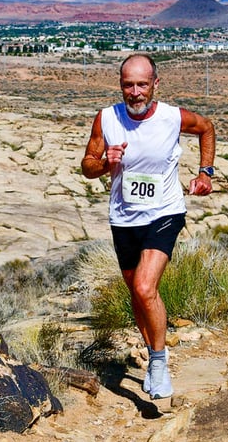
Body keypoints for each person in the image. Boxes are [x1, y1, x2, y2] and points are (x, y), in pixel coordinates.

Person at [81, 53, 216, 399]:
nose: (135, 92)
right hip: (124, 218)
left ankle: (158, 363)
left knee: (144, 287)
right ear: (120, 85)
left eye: (142, 84)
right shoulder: (107, 118)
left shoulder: (172, 117)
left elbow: (206, 128)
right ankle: (155, 352)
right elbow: (87, 165)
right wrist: (105, 162)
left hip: (164, 212)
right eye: (129, 85)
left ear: (156, 84)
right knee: (137, 295)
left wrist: (205, 173)